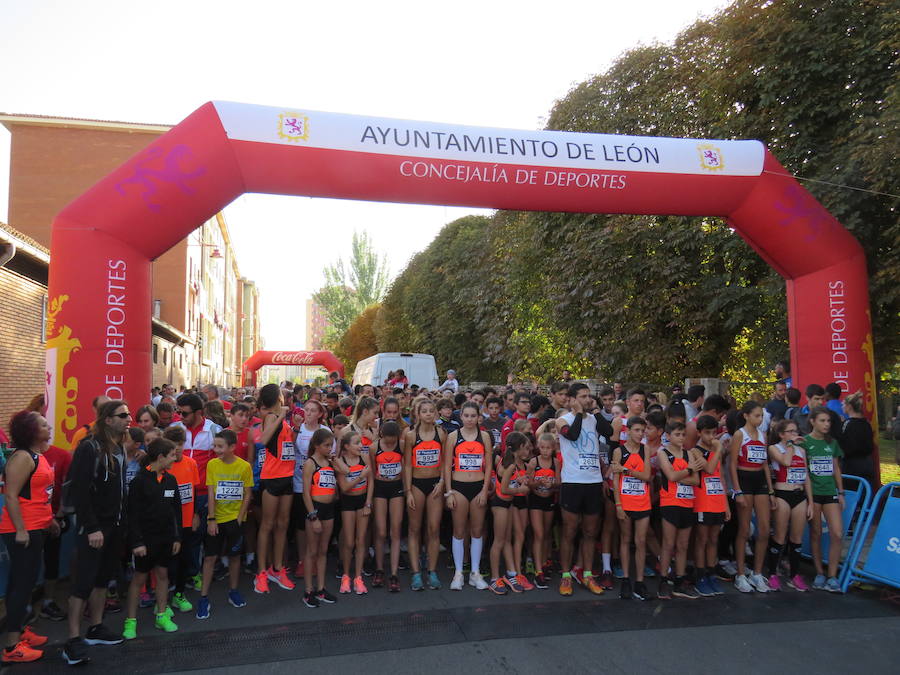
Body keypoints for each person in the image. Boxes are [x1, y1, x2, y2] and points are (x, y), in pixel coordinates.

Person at [64, 400, 130, 666]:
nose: (129, 419)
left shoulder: (120, 448)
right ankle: (72, 640)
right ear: (107, 419)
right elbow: (79, 491)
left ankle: (96, 628)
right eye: (122, 415)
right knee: (83, 582)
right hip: (94, 528)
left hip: (115, 526)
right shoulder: (88, 448)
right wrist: (91, 527)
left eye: (129, 414)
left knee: (103, 580)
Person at [0, 411, 57, 663]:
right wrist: (21, 529)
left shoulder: (37, 455)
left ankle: (21, 631)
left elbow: (38, 493)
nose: (49, 427)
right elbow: (11, 495)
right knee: (21, 586)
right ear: (32, 431)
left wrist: (50, 519)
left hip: (36, 526)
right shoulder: (22, 457)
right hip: (22, 530)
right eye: (44, 425)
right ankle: (12, 646)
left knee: (26, 582)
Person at [555, 382, 612, 597]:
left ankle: (587, 574)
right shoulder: (563, 420)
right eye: (583, 396)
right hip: (572, 482)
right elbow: (572, 435)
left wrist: (595, 413)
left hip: (593, 482)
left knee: (590, 532)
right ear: (571, 399)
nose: (588, 399)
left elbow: (609, 432)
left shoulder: (594, 419)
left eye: (590, 396)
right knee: (570, 531)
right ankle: (566, 575)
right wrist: (578, 414)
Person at [122, 438, 181, 639]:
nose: (176, 458)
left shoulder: (171, 480)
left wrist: (176, 537)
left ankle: (162, 615)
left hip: (165, 539)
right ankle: (130, 621)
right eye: (172, 455)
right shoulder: (139, 481)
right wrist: (136, 542)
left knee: (163, 575)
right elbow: (133, 515)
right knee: (139, 578)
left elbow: (176, 511)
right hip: (145, 542)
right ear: (161, 457)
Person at [196, 430, 253, 619]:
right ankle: (204, 597)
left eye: (220, 446)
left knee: (235, 556)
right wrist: (211, 519)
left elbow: (247, 494)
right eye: (214, 445)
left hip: (235, 520)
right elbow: (211, 493)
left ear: (232, 447)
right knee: (210, 558)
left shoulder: (244, 466)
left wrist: (239, 518)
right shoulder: (212, 464)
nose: (215, 449)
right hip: (217, 519)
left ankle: (233, 590)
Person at [443, 401, 493, 591]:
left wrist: (484, 490)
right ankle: (458, 573)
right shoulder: (453, 436)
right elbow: (447, 466)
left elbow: (488, 466)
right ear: (461, 416)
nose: (470, 419)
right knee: (459, 530)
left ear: (478, 417)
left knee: (477, 530)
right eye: (467, 416)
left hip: (478, 486)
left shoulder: (485, 436)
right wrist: (449, 492)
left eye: (473, 416)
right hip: (458, 486)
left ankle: (475, 572)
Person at [728, 401, 775, 593]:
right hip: (744, 478)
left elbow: (764, 463)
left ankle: (757, 572)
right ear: (746, 415)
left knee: (764, 528)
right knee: (744, 529)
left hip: (760, 479)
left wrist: (770, 490)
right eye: (756, 415)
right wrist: (737, 490)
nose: (760, 419)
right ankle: (740, 574)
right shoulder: (740, 434)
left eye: (761, 416)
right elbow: (731, 464)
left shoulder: (763, 435)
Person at [253, 384, 296, 594]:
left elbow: (285, 445)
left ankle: (277, 568)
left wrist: (293, 426)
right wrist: (281, 417)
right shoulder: (271, 416)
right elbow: (263, 440)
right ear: (277, 397)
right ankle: (261, 572)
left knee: (282, 524)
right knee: (267, 525)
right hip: (271, 477)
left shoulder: (284, 418)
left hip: (287, 476)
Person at [656, 422, 703, 599]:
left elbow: (696, 480)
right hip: (670, 502)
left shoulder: (689, 453)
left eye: (683, 434)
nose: (681, 438)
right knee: (668, 544)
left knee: (683, 545)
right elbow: (671, 476)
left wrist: (682, 475)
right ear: (668, 436)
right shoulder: (663, 453)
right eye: (677, 434)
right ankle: (663, 580)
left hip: (687, 502)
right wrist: (689, 470)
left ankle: (680, 581)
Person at [403, 399, 446, 591]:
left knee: (434, 529)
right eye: (425, 411)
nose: (428, 414)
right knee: (414, 529)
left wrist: (443, 482)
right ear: (418, 414)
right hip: (417, 485)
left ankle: (432, 570)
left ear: (435, 413)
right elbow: (407, 465)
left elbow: (445, 462)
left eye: (431, 411)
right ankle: (415, 573)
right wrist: (408, 491)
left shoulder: (441, 433)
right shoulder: (411, 436)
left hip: (435, 484)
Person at [610, 416, 653, 601]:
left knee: (641, 541)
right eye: (637, 430)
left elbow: (647, 476)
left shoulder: (646, 449)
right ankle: (626, 579)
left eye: (643, 431)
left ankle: (640, 581)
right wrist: (618, 505)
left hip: (643, 502)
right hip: (625, 502)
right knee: (626, 540)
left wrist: (626, 470)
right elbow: (615, 480)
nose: (640, 434)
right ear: (628, 431)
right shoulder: (619, 451)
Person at [804, 407, 845, 593]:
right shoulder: (805, 442)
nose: (826, 424)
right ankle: (820, 572)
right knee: (816, 533)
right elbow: (802, 470)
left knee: (837, 533)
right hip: (813, 493)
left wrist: (841, 492)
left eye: (828, 421)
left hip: (830, 492)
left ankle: (832, 575)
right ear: (812, 421)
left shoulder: (832, 443)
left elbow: (836, 468)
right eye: (822, 420)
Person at [766, 419, 810, 592]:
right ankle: (772, 573)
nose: (794, 434)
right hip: (783, 493)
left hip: (799, 494)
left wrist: (811, 502)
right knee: (779, 536)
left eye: (795, 431)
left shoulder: (801, 450)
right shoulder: (774, 448)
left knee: (797, 538)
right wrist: (791, 445)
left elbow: (805, 475)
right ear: (781, 434)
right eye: (790, 431)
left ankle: (795, 574)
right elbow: (785, 462)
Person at [488, 431, 533, 594]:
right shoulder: (510, 465)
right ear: (519, 448)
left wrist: (519, 481)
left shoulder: (508, 462)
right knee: (499, 542)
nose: (527, 450)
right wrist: (520, 488)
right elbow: (506, 489)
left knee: (506, 540)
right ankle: (494, 578)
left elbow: (508, 482)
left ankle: (511, 574)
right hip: (500, 504)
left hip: (506, 505)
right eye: (525, 447)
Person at [162, 425, 200, 614]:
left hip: (186, 521)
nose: (178, 448)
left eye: (181, 444)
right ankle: (162, 601)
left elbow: (192, 490)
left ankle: (179, 594)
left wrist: (195, 515)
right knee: (167, 565)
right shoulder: (163, 467)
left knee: (184, 561)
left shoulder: (191, 463)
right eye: (174, 445)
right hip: (168, 525)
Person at [692, 414, 729, 597]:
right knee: (702, 539)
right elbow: (707, 468)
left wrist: (726, 505)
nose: (711, 437)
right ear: (699, 433)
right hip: (702, 502)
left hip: (717, 501)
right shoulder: (695, 451)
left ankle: (711, 572)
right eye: (707, 433)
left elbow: (720, 476)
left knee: (714, 539)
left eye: (714, 433)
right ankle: (700, 575)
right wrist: (718, 448)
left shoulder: (715, 450)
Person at [301, 428, 338, 608]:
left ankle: (321, 588)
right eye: (326, 445)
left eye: (331, 445)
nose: (330, 448)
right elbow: (306, 493)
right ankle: (308, 591)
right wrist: (312, 516)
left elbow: (344, 473)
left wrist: (335, 461)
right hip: (315, 509)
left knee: (323, 550)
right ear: (316, 445)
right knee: (312, 551)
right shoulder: (310, 463)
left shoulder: (331, 462)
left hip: (329, 509)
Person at [290, 398, 327, 579]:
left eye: (313, 410)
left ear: (320, 414)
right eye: (306, 410)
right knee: (302, 526)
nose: (309, 413)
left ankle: (316, 558)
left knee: (320, 523)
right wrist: (296, 429)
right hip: (299, 483)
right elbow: (289, 446)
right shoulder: (298, 429)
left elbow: (331, 456)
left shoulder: (325, 431)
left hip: (320, 485)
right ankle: (302, 560)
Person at [334, 429, 373, 595]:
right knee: (349, 542)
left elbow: (371, 482)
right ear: (347, 446)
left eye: (361, 443)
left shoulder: (364, 458)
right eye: (357, 443)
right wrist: (359, 476)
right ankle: (345, 576)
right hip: (348, 502)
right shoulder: (341, 461)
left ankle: (358, 577)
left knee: (361, 540)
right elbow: (344, 488)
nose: (361, 446)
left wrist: (368, 503)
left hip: (363, 501)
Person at [372, 421, 405, 592]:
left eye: (394, 441)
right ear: (381, 436)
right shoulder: (374, 447)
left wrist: (407, 490)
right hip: (380, 489)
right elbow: (371, 472)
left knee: (395, 530)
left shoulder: (402, 445)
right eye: (388, 441)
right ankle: (379, 569)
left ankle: (393, 573)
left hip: (396, 488)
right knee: (381, 531)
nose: (391, 444)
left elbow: (406, 468)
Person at [528, 432, 559, 589]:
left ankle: (546, 561)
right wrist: (538, 483)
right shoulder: (534, 462)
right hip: (536, 501)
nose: (545, 451)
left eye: (548, 448)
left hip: (549, 500)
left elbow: (559, 483)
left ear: (553, 448)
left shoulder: (555, 462)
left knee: (547, 534)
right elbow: (529, 483)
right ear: (538, 447)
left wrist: (551, 486)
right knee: (539, 534)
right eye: (542, 448)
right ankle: (538, 570)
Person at [839, 392, 875, 485]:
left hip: (851, 467)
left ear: (849, 406)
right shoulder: (866, 423)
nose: (842, 406)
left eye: (843, 404)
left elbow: (843, 445)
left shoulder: (847, 424)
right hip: (867, 465)